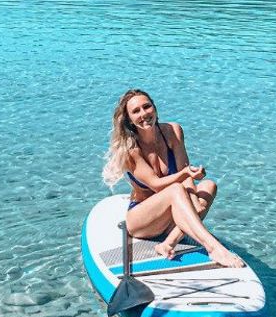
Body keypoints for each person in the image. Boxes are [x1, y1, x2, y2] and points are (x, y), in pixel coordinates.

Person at [102, 89, 244, 268]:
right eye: (136, 111)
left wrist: (195, 201)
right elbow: (157, 185)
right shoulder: (131, 150)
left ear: (155, 107)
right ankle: (214, 248)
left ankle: (169, 243)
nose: (144, 114)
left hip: (170, 218)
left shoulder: (173, 132)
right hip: (143, 222)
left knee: (209, 185)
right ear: (129, 119)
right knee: (175, 190)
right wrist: (187, 176)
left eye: (147, 107)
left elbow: (186, 173)